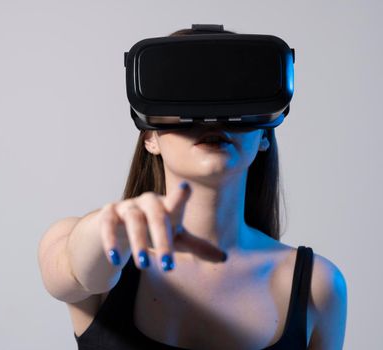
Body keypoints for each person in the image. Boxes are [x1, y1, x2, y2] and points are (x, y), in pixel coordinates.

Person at [37, 27, 347, 350]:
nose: (213, 120)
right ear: (149, 136)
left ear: (265, 135)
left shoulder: (317, 287)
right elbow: (72, 272)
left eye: (233, 94)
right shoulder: (91, 250)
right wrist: (107, 229)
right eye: (187, 93)